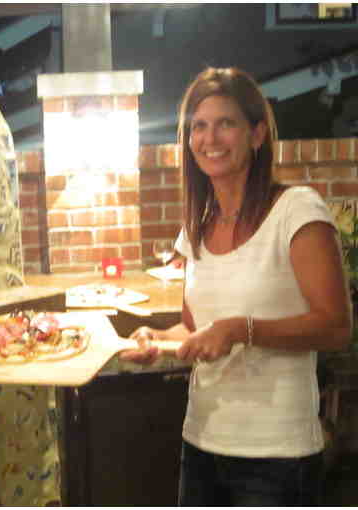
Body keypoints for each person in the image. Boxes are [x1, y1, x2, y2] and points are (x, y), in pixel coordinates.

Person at [120, 67, 352, 506]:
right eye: (199, 126)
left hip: (277, 456)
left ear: (257, 134)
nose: (210, 138)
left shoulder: (297, 210)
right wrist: (157, 339)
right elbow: (195, 328)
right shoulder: (196, 227)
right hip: (201, 442)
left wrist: (241, 330)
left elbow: (336, 327)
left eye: (225, 123)